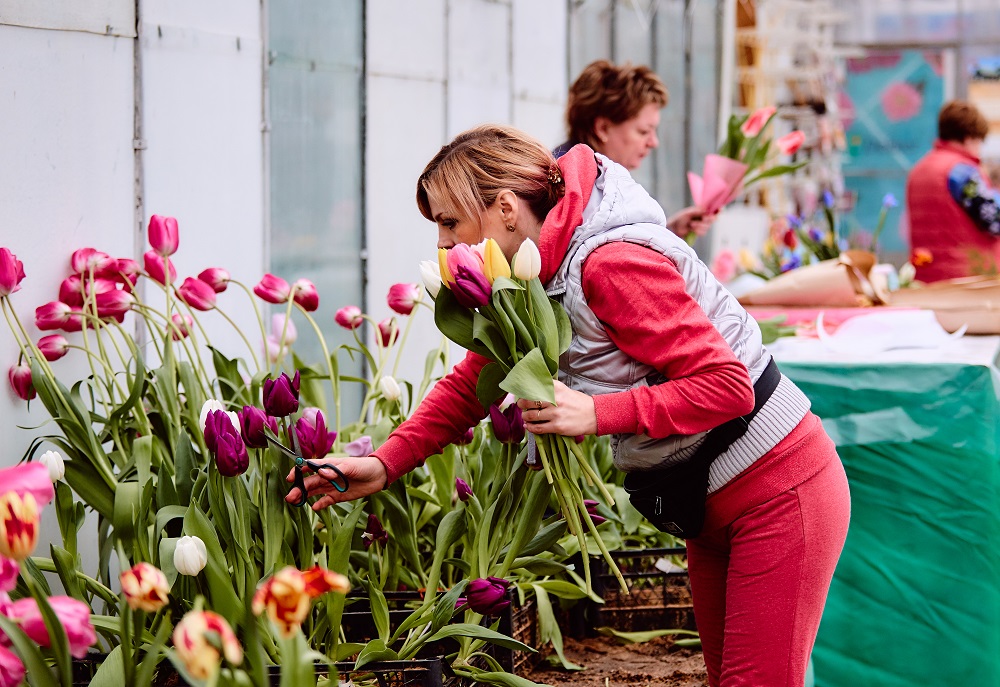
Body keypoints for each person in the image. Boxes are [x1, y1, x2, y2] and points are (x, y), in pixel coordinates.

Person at [290, 125, 850, 687]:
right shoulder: (532, 277)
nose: (441, 244)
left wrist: (596, 412)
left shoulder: (609, 264)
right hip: (707, 508)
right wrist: (385, 462)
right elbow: (475, 381)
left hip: (776, 491)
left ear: (506, 208)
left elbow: (728, 385)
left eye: (449, 222)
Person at [554, 59, 713, 240]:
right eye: (643, 131)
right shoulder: (565, 185)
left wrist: (670, 230)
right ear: (603, 128)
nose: (654, 142)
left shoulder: (597, 177)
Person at [907, 100, 1000, 281]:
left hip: (926, 275)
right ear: (968, 137)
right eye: (979, 140)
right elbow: (994, 219)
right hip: (966, 277)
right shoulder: (961, 172)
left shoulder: (919, 169)